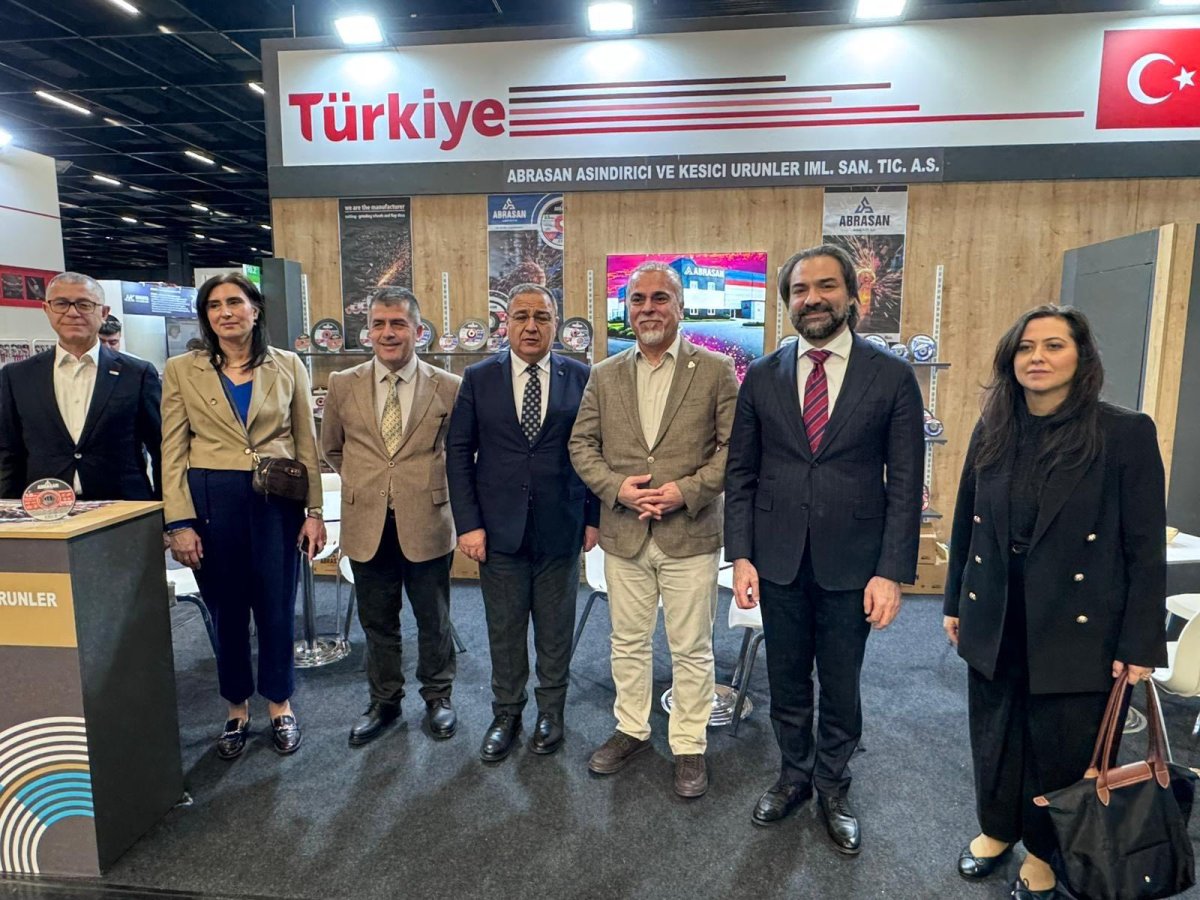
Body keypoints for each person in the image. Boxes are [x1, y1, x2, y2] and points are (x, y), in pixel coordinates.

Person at [944, 305, 1166, 900]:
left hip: (1080, 622)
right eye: (1025, 347)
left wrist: (1140, 643)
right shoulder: (994, 427)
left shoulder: (1124, 433)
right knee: (995, 732)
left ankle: (1044, 850)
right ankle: (997, 828)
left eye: (1053, 345)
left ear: (1081, 357)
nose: (1037, 357)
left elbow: (1145, 550)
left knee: (1062, 744)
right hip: (997, 610)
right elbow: (969, 522)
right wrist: (955, 601)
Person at [724, 244, 924, 854]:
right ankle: (793, 776)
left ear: (852, 295)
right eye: (799, 290)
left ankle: (834, 784)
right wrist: (742, 556)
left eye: (826, 286)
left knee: (840, 682)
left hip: (853, 562)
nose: (812, 299)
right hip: (777, 558)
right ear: (787, 302)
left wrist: (891, 571)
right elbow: (741, 473)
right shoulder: (762, 375)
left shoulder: (891, 375)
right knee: (785, 678)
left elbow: (905, 482)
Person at [569, 262, 738, 798]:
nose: (648, 308)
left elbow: (734, 450)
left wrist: (686, 491)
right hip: (624, 533)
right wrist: (617, 488)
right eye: (638, 299)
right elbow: (581, 445)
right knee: (627, 641)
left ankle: (689, 744)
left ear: (680, 306)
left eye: (660, 298)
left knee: (692, 647)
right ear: (627, 310)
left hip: (690, 531)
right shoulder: (604, 374)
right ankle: (632, 729)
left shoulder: (716, 370)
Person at [161, 273, 325, 759]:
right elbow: (172, 451)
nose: (225, 312)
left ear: (255, 309)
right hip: (212, 499)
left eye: (235, 302)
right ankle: (236, 708)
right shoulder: (181, 369)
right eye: (214, 305)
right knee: (226, 610)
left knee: (277, 606)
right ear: (206, 317)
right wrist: (179, 522)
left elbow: (307, 443)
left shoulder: (288, 364)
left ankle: (279, 703)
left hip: (277, 499)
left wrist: (314, 511)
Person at [447, 283, 600, 762]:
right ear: (506, 323)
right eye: (521, 316)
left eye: (542, 317)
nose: (531, 326)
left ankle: (551, 712)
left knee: (555, 631)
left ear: (556, 324)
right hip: (497, 531)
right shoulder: (479, 377)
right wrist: (468, 524)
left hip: (562, 526)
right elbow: (458, 453)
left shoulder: (582, 376)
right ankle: (507, 713)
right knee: (505, 629)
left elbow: (597, 450)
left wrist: (593, 517)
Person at [321, 286, 462, 746]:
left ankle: (438, 696)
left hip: (428, 520)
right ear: (368, 331)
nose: (388, 333)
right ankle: (384, 701)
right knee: (378, 621)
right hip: (367, 522)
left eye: (398, 323)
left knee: (433, 619)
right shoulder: (343, 384)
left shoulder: (448, 386)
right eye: (379, 324)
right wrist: (369, 484)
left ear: (418, 331)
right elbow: (332, 448)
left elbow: (460, 453)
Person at [0, 273, 161, 500]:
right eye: (61, 304)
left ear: (103, 312)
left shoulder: (138, 373)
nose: (72, 312)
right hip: (45, 508)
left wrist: (167, 512)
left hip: (124, 508)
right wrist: (7, 510)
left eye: (84, 304)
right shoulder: (17, 376)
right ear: (46, 309)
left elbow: (160, 447)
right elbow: (8, 453)